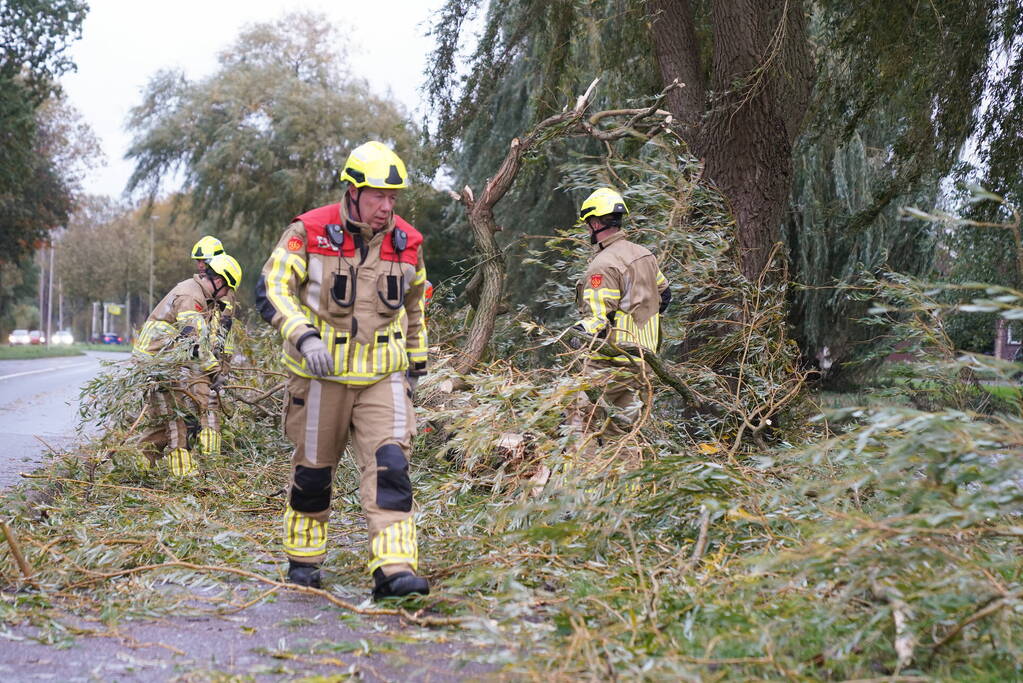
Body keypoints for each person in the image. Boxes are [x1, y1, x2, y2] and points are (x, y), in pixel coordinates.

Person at [255, 141, 430, 599]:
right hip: (320, 378)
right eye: (377, 195)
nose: (386, 206)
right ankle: (304, 564)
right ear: (352, 192)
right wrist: (303, 336)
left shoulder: (408, 243)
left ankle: (394, 570)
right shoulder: (308, 231)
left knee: (391, 468)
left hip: (382, 378)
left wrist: (417, 363)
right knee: (314, 472)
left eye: (393, 198)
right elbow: (272, 288)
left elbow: (416, 310)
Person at [570, 187, 670, 436]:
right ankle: (624, 472)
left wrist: (576, 332)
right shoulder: (644, 254)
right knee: (624, 429)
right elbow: (665, 295)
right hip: (643, 359)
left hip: (610, 362)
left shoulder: (603, 264)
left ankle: (586, 473)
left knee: (582, 419)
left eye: (587, 224)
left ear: (594, 223)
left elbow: (597, 320)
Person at [134, 253, 243, 475]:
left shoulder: (204, 297)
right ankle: (182, 474)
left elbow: (210, 339)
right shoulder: (189, 298)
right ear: (219, 281)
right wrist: (215, 372)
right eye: (228, 289)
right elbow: (194, 344)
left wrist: (223, 365)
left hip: (169, 359)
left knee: (162, 421)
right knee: (175, 416)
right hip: (156, 362)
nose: (227, 296)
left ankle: (140, 467)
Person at [189, 235, 237, 455]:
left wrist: (223, 368)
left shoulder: (226, 294)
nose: (200, 265)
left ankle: (210, 461)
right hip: (196, 357)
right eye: (197, 261)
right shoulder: (195, 290)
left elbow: (227, 334)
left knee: (210, 407)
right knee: (194, 406)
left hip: (211, 359)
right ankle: (195, 453)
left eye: (204, 261)